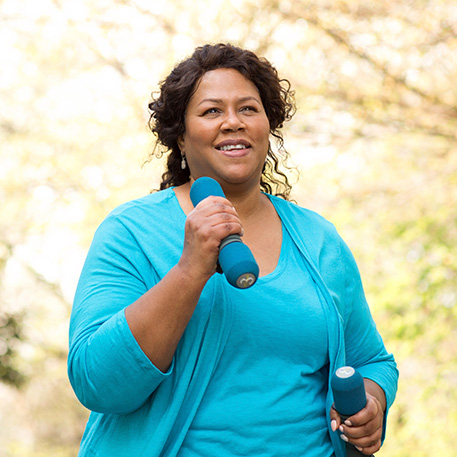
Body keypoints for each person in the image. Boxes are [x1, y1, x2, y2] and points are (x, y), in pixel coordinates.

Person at [68, 43, 398, 457]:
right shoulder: (131, 232)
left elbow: (373, 362)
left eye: (247, 109)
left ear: (267, 126)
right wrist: (190, 269)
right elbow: (97, 383)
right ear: (181, 138)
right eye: (211, 111)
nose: (232, 123)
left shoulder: (319, 240)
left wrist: (372, 403)